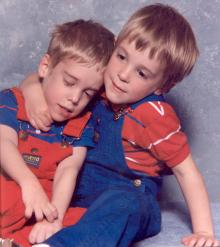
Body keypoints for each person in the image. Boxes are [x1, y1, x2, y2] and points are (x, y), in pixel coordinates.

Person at [19, 3, 219, 247]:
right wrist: (34, 93)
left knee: (123, 203)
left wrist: (205, 232)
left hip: (131, 198)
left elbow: (187, 172)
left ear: (162, 86)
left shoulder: (155, 116)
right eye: (121, 56)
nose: (123, 74)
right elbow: (39, 76)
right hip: (81, 192)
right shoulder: (102, 84)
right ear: (115, 46)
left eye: (141, 73)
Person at [0, 20, 115, 247]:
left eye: (87, 93)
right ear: (45, 67)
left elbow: (68, 170)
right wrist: (28, 184)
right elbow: (3, 143)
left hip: (44, 201)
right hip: (11, 182)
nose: (74, 98)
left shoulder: (81, 124)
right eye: (69, 82)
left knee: (85, 218)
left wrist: (56, 219)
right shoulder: (12, 102)